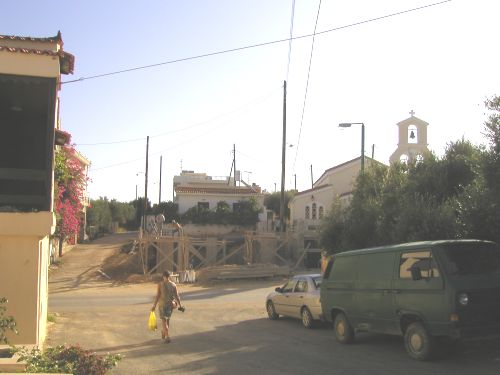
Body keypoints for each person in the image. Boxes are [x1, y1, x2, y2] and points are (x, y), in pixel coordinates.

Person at [151, 271, 182, 343]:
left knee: (163, 321)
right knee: (167, 320)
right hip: (170, 305)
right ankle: (164, 331)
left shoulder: (160, 284)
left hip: (162, 305)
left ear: (163, 276)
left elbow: (157, 296)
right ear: (169, 276)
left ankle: (167, 336)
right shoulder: (173, 285)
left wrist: (154, 305)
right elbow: (177, 296)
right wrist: (180, 305)